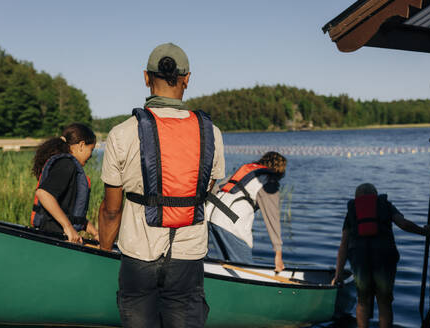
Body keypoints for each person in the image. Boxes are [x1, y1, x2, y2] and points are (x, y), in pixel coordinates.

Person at [98, 43, 225, 328]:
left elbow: (110, 210)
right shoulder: (212, 133)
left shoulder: (122, 133)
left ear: (146, 77)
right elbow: (207, 189)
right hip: (187, 256)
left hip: (137, 255)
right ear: (187, 79)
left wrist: (105, 249)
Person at [332, 183, 430, 328]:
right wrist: (425, 232)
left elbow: (343, 245)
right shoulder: (385, 205)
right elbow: (404, 224)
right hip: (384, 259)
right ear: (375, 195)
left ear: (357, 197)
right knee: (384, 302)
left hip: (360, 260)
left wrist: (338, 274)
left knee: (363, 301)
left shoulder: (352, 211)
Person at [205, 151, 286, 272]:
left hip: (210, 214)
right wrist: (278, 255)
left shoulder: (247, 172)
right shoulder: (268, 181)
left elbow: (216, 189)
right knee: (245, 270)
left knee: (228, 268)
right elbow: (272, 218)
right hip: (230, 221)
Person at [31, 123, 98, 243]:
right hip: (52, 237)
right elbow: (43, 194)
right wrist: (68, 227)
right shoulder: (66, 164)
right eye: (91, 150)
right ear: (81, 145)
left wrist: (95, 232)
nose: (91, 155)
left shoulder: (67, 165)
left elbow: (72, 215)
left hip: (55, 236)